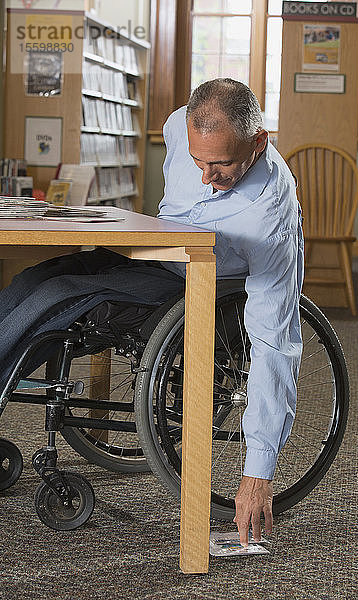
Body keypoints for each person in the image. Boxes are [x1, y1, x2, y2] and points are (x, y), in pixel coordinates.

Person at [0, 78, 303, 546]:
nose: (206, 176)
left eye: (221, 165)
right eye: (199, 162)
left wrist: (258, 473)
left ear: (259, 142)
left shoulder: (271, 216)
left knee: (58, 293)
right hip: (154, 250)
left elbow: (274, 340)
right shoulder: (179, 125)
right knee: (30, 279)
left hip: (199, 284)